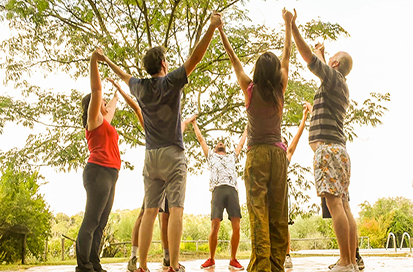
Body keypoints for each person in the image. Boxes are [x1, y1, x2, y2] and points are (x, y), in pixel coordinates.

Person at [95, 11, 223, 272]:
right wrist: (211, 27)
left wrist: (104, 58)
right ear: (164, 63)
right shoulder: (171, 81)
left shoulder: (140, 86)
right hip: (173, 155)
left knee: (150, 212)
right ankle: (173, 265)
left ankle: (141, 265)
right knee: (175, 209)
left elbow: (121, 74)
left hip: (151, 156)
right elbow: (195, 58)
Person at [218, 8, 293, 272]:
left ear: (257, 71)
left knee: (258, 214)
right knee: (278, 214)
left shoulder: (249, 88)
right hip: (279, 155)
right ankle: (276, 266)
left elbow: (233, 59)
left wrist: (220, 31)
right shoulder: (280, 88)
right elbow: (286, 56)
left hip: (257, 156)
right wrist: (288, 25)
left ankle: (262, 267)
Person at [291, 9, 357, 272]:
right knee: (345, 206)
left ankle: (346, 261)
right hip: (339, 149)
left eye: (330, 58)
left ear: (336, 64)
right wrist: (322, 51)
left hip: (327, 150)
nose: (327, 59)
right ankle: (350, 260)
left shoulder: (333, 79)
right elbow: (320, 65)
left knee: (335, 204)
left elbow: (310, 60)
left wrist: (292, 26)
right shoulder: (339, 84)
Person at [75, 49, 121, 272]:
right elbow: (96, 89)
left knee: (101, 223)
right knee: (92, 221)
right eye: (101, 102)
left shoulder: (105, 122)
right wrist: (94, 60)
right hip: (98, 171)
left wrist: (116, 94)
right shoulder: (93, 120)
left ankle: (94, 263)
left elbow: (111, 106)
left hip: (111, 173)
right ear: (93, 105)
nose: (104, 104)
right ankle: (83, 266)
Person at [192, 118, 247, 270]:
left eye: (222, 143)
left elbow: (241, 144)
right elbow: (201, 139)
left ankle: (233, 259)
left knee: (236, 225)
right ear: (215, 149)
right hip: (217, 190)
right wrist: (195, 124)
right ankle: (211, 258)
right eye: (218, 143)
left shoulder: (231, 157)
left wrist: (247, 129)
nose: (220, 143)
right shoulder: (211, 156)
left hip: (231, 190)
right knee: (214, 225)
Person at [281, 102, 312, 269]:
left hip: (282, 192)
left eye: (284, 142)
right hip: (269, 192)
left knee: (284, 224)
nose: (283, 143)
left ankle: (287, 255)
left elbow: (298, 136)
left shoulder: (286, 155)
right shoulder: (269, 153)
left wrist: (304, 118)